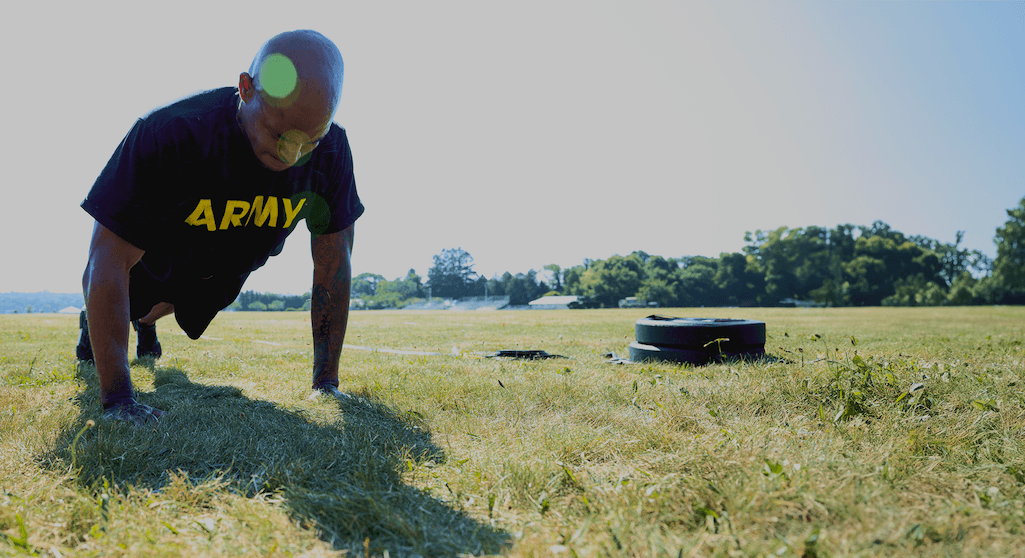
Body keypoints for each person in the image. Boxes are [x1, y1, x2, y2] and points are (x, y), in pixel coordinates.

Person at [77, 30, 363, 425]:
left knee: (188, 302)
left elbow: (334, 264)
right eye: (281, 136)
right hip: (155, 254)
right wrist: (118, 400)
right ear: (246, 89)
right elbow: (105, 260)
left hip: (232, 261)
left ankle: (144, 322)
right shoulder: (171, 133)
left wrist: (326, 383)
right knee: (141, 292)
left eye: (308, 142)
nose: (291, 156)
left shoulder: (332, 151)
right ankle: (98, 321)